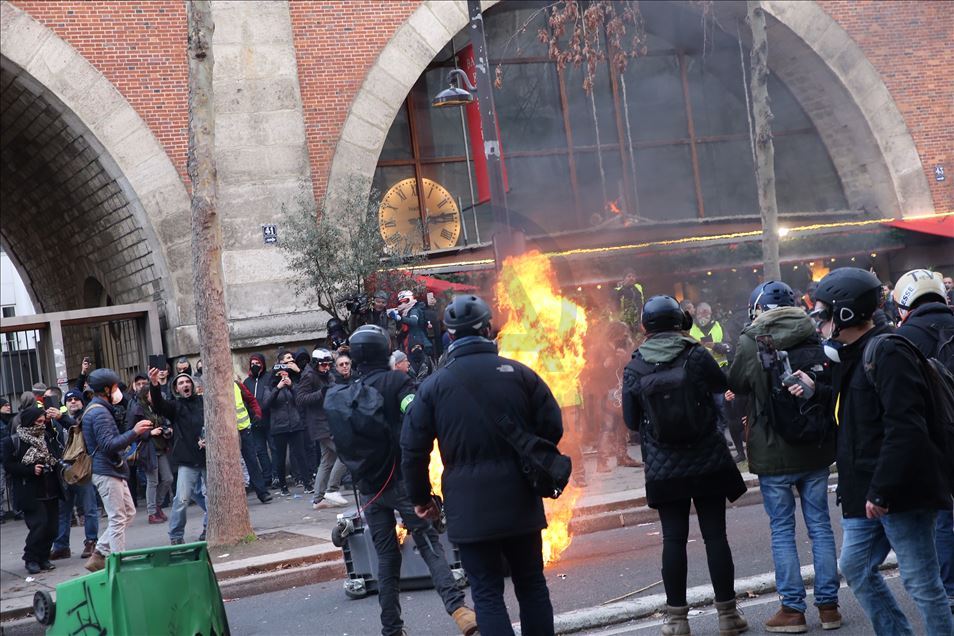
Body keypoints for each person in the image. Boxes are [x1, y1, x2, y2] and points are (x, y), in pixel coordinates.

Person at [402, 295, 561, 635]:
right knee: (531, 585)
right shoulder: (520, 374)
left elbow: (412, 450)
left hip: (468, 506)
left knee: (487, 594)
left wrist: (421, 499)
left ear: (450, 335)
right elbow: (552, 427)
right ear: (488, 329)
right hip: (520, 496)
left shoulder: (433, 387)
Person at [810, 267, 953, 635]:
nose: (820, 324)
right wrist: (817, 390)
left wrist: (883, 489)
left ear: (845, 314)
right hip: (866, 492)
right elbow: (859, 417)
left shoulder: (889, 351)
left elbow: (905, 426)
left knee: (923, 585)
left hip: (899, 492)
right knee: (856, 567)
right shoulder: (853, 354)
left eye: (824, 314)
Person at [334, 324, 476, 636]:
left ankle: (392, 629)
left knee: (385, 559)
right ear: (384, 350)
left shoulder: (348, 391)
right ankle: (460, 611)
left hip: (369, 488)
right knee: (429, 545)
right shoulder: (396, 381)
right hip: (400, 481)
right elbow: (413, 412)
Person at [622, 295, 748, 636]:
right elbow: (723, 386)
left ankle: (677, 621)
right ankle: (728, 617)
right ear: (681, 322)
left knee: (673, 540)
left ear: (645, 326)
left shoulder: (634, 366)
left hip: (664, 468)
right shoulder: (695, 355)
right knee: (715, 537)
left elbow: (631, 421)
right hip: (707, 459)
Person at [728, 281, 841, 632]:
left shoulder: (751, 340)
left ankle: (792, 611)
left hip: (773, 450)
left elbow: (737, 382)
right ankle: (829, 608)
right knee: (820, 526)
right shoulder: (813, 331)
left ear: (757, 308)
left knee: (782, 529)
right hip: (815, 447)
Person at [891, 269, 954, 614]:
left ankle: (949, 589)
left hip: (934, 435)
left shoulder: (904, 337)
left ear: (903, 302)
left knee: (944, 515)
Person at [83, 368, 155, 571]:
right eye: (115, 387)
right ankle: (118, 562)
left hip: (111, 470)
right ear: (106, 389)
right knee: (117, 518)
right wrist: (134, 432)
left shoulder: (100, 409)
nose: (118, 391)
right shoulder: (99, 413)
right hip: (107, 472)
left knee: (129, 512)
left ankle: (99, 553)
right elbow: (108, 445)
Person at [147, 368, 208, 545]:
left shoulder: (204, 402)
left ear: (193, 385)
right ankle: (175, 535)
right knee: (182, 499)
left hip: (207, 458)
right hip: (187, 460)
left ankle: (208, 527)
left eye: (187, 382)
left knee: (213, 497)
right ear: (176, 389)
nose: (185, 385)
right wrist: (155, 384)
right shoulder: (174, 406)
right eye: (181, 383)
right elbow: (158, 405)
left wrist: (208, 440)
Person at [1, 405, 64, 574]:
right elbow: (8, 465)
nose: (41, 425)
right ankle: (31, 558)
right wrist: (30, 470)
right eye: (38, 422)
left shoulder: (47, 437)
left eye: (44, 422)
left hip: (50, 487)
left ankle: (43, 557)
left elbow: (57, 454)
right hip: (30, 491)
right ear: (29, 422)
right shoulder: (12, 441)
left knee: (52, 528)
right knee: (39, 525)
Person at [49, 389, 100, 560]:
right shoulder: (56, 421)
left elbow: (77, 429)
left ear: (82, 402)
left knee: (89, 507)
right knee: (63, 510)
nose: (72, 402)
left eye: (76, 399)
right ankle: (61, 546)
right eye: (69, 400)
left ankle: (91, 541)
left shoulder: (85, 418)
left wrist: (61, 418)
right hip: (63, 470)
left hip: (82, 469)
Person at [296, 348, 347, 508]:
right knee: (346, 454)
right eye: (323, 365)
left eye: (328, 365)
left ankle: (318, 499)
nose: (326, 367)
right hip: (320, 424)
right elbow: (300, 398)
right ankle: (332, 489)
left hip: (328, 421)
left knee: (327, 460)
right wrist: (321, 393)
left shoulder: (327, 374)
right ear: (316, 363)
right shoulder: (309, 376)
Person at [263, 351, 310, 496]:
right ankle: (283, 486)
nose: (284, 375)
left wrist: (291, 386)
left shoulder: (293, 382)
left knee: (301, 455)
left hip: (295, 424)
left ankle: (307, 484)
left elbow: (301, 400)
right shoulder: (270, 385)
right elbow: (266, 404)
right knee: (280, 457)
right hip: (279, 426)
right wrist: (278, 388)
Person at [126, 386, 173, 524]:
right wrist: (149, 433)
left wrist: (167, 429)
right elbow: (131, 431)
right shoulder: (138, 410)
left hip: (161, 447)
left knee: (168, 478)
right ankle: (152, 512)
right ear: (145, 395)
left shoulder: (157, 407)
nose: (155, 396)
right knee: (152, 481)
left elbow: (164, 421)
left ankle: (157, 505)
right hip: (148, 449)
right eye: (152, 394)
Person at [234, 380, 272, 504]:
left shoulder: (236, 384)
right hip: (226, 432)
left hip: (243, 429)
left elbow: (251, 399)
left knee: (252, 461)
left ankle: (262, 492)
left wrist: (257, 413)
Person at [243, 353, 274, 486]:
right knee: (260, 451)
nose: (255, 366)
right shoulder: (246, 382)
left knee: (274, 448)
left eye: (257, 363)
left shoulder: (269, 378)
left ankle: (277, 475)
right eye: (252, 363)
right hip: (254, 421)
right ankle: (267, 476)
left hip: (269, 419)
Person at [389, 290, 430, 355]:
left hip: (417, 340)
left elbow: (413, 321)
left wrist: (399, 318)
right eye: (401, 302)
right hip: (409, 339)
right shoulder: (404, 311)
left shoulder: (414, 310)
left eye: (405, 301)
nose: (403, 304)